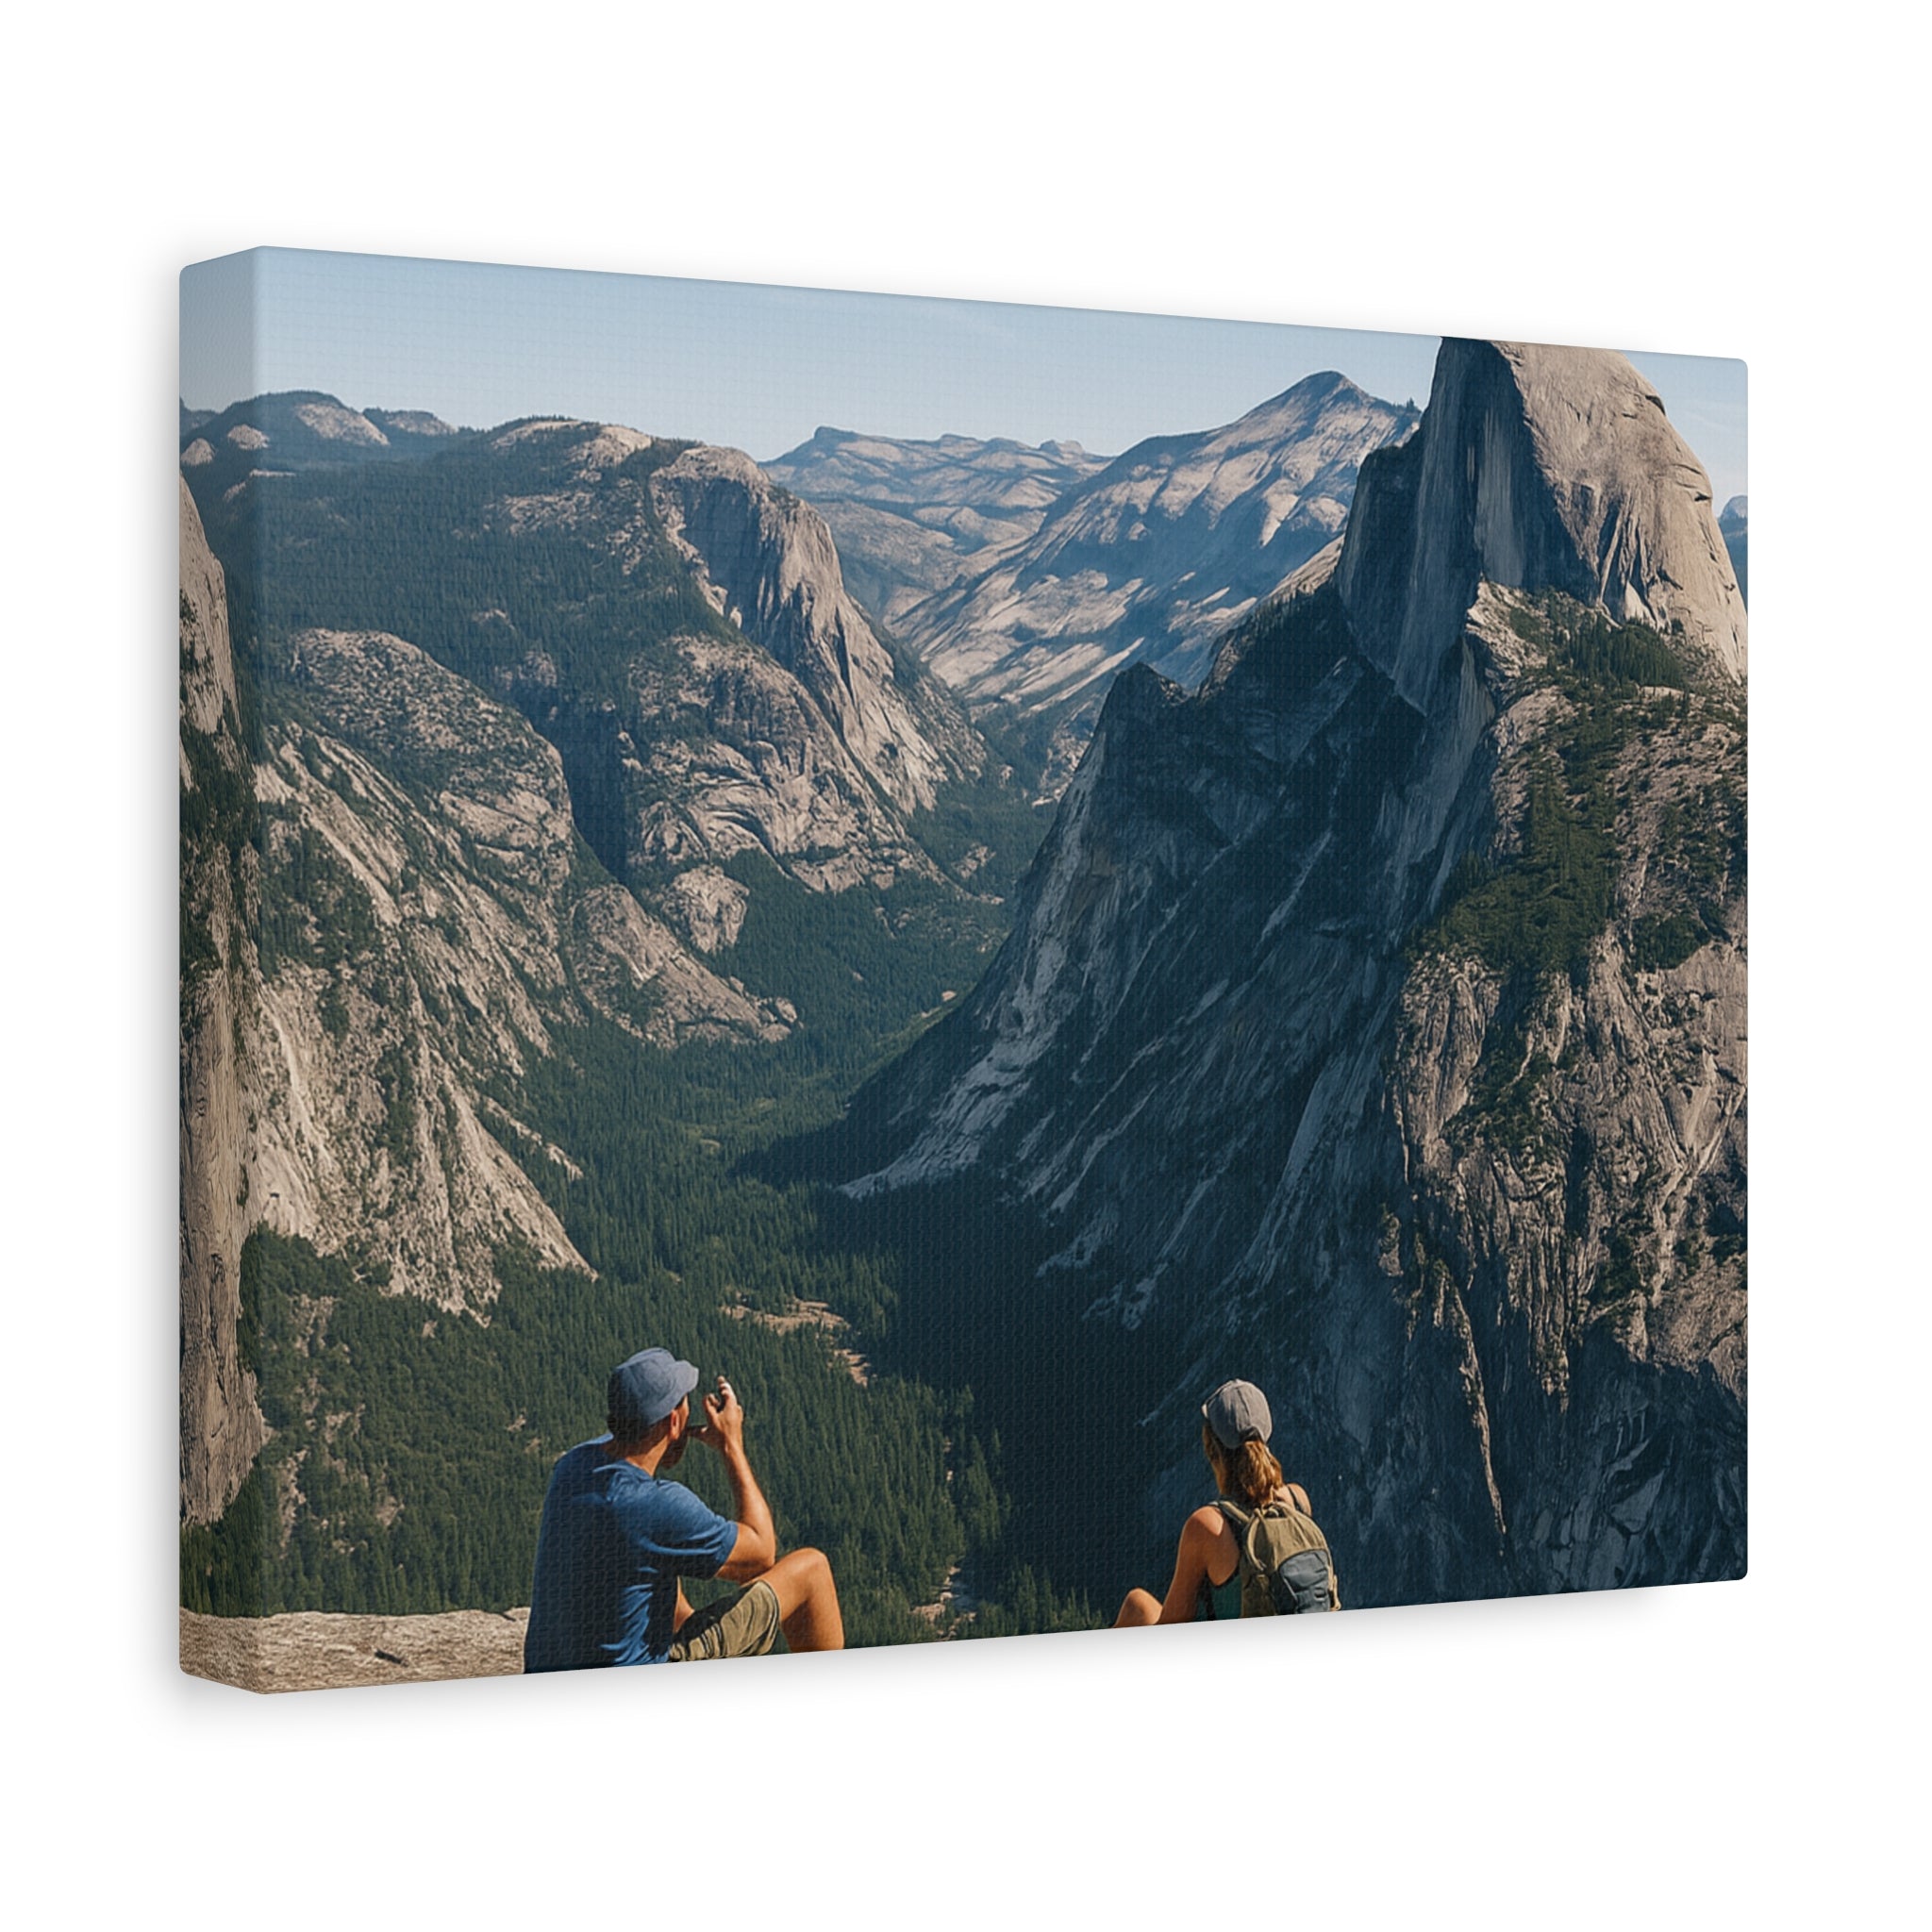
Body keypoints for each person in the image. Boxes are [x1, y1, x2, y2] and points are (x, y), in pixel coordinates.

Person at [523, 1345, 843, 1672]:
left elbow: (636, 1459)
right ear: (674, 1421)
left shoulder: (574, 1465)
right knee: (812, 1569)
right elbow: (760, 1553)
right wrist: (731, 1445)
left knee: (654, 1555)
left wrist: (668, 1444)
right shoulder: (655, 1505)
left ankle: (691, 1628)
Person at [1113, 1377, 1338, 1626]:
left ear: (1212, 1449)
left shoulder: (1208, 1526)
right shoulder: (1297, 1500)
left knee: (1137, 1605)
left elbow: (1170, 1625)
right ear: (1266, 1436)